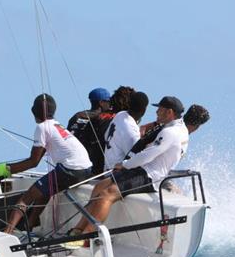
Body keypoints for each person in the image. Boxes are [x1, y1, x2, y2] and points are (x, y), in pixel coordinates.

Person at [68, 96, 189, 237]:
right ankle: (78, 229)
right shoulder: (176, 127)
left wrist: (125, 165)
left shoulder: (171, 132)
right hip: (141, 170)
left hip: (151, 177)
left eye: (160, 110)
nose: (156, 113)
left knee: (106, 195)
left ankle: (88, 236)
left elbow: (148, 155)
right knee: (99, 186)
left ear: (169, 112)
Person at [0, 94, 93, 234]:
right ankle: (30, 225)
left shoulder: (42, 128)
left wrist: (7, 170)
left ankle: (7, 233)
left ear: (34, 112)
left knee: (26, 199)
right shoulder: (57, 125)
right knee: (44, 192)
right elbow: (39, 157)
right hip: (86, 170)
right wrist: (10, 170)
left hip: (70, 170)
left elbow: (33, 162)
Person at [67, 88, 115, 174]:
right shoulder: (104, 118)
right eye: (108, 102)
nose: (110, 104)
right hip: (94, 166)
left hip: (73, 163)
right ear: (101, 102)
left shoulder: (77, 116)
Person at [103, 91, 149, 171]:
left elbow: (105, 136)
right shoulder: (131, 130)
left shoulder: (121, 114)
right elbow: (136, 158)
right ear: (144, 110)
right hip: (116, 175)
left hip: (106, 169)